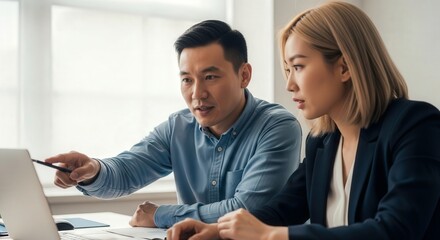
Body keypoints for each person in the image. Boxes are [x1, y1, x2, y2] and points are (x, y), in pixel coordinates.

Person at [166, 2, 440, 240]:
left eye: (298, 67)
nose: (289, 85)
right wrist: (218, 231)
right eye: (287, 69)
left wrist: (273, 236)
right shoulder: (323, 141)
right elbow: (283, 209)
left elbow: (396, 230)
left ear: (344, 67)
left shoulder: (415, 126)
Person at [45, 20, 302, 229]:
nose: (197, 93)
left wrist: (161, 215)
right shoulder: (178, 126)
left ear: (244, 75)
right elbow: (127, 172)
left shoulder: (277, 127)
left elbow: (247, 210)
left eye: (210, 77)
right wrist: (94, 170)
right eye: (187, 80)